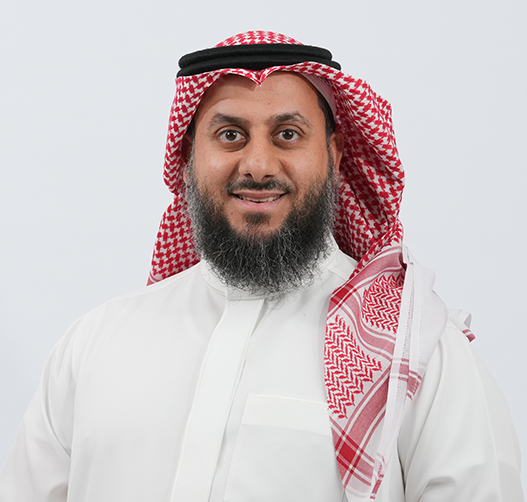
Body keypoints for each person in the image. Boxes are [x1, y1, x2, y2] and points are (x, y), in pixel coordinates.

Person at [0, 31, 523, 502]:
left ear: (335, 154)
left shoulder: (417, 351)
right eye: (230, 134)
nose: (257, 166)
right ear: (189, 157)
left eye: (287, 134)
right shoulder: (93, 344)